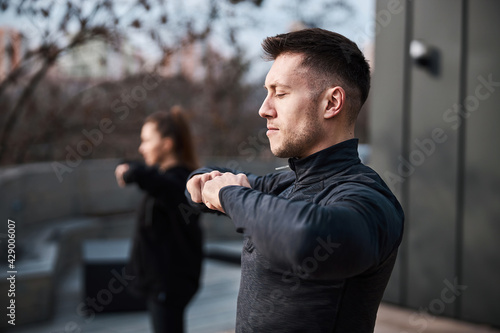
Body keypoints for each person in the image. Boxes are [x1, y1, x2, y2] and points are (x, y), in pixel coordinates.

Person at [185, 28, 404, 332]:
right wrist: (201, 183)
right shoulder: (286, 184)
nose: (264, 109)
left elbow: (308, 237)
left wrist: (229, 195)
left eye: (281, 93)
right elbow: (210, 180)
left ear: (331, 103)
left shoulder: (369, 199)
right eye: (266, 92)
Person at [115, 107, 203, 333]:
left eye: (146, 140)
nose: (141, 148)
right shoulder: (167, 177)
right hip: (162, 285)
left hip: (169, 285)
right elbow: (149, 176)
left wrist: (130, 173)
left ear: (167, 144)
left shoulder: (180, 182)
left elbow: (158, 184)